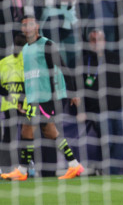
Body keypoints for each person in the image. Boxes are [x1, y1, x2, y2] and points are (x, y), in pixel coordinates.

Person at [0, 15, 83, 181]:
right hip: (33, 97)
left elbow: (63, 68)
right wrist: (23, 100)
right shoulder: (26, 49)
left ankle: (22, 170)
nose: (27, 27)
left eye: (30, 24)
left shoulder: (46, 44)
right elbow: (28, 77)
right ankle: (74, 165)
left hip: (47, 97)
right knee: (50, 132)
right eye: (24, 25)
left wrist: (71, 92)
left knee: (27, 128)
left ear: (37, 26)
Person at [80, 28, 123, 175]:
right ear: (89, 42)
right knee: (107, 140)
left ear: (105, 41)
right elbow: (79, 90)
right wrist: (82, 110)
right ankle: (108, 171)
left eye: (99, 39)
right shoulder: (84, 61)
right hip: (98, 110)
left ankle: (110, 171)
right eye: (93, 40)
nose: (96, 43)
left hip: (118, 107)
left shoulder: (115, 58)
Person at [0, 34, 27, 172]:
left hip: (10, 104)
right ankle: (25, 167)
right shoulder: (28, 62)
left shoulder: (4, 62)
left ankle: (5, 168)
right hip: (24, 104)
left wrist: (6, 94)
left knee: (9, 137)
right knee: (26, 136)